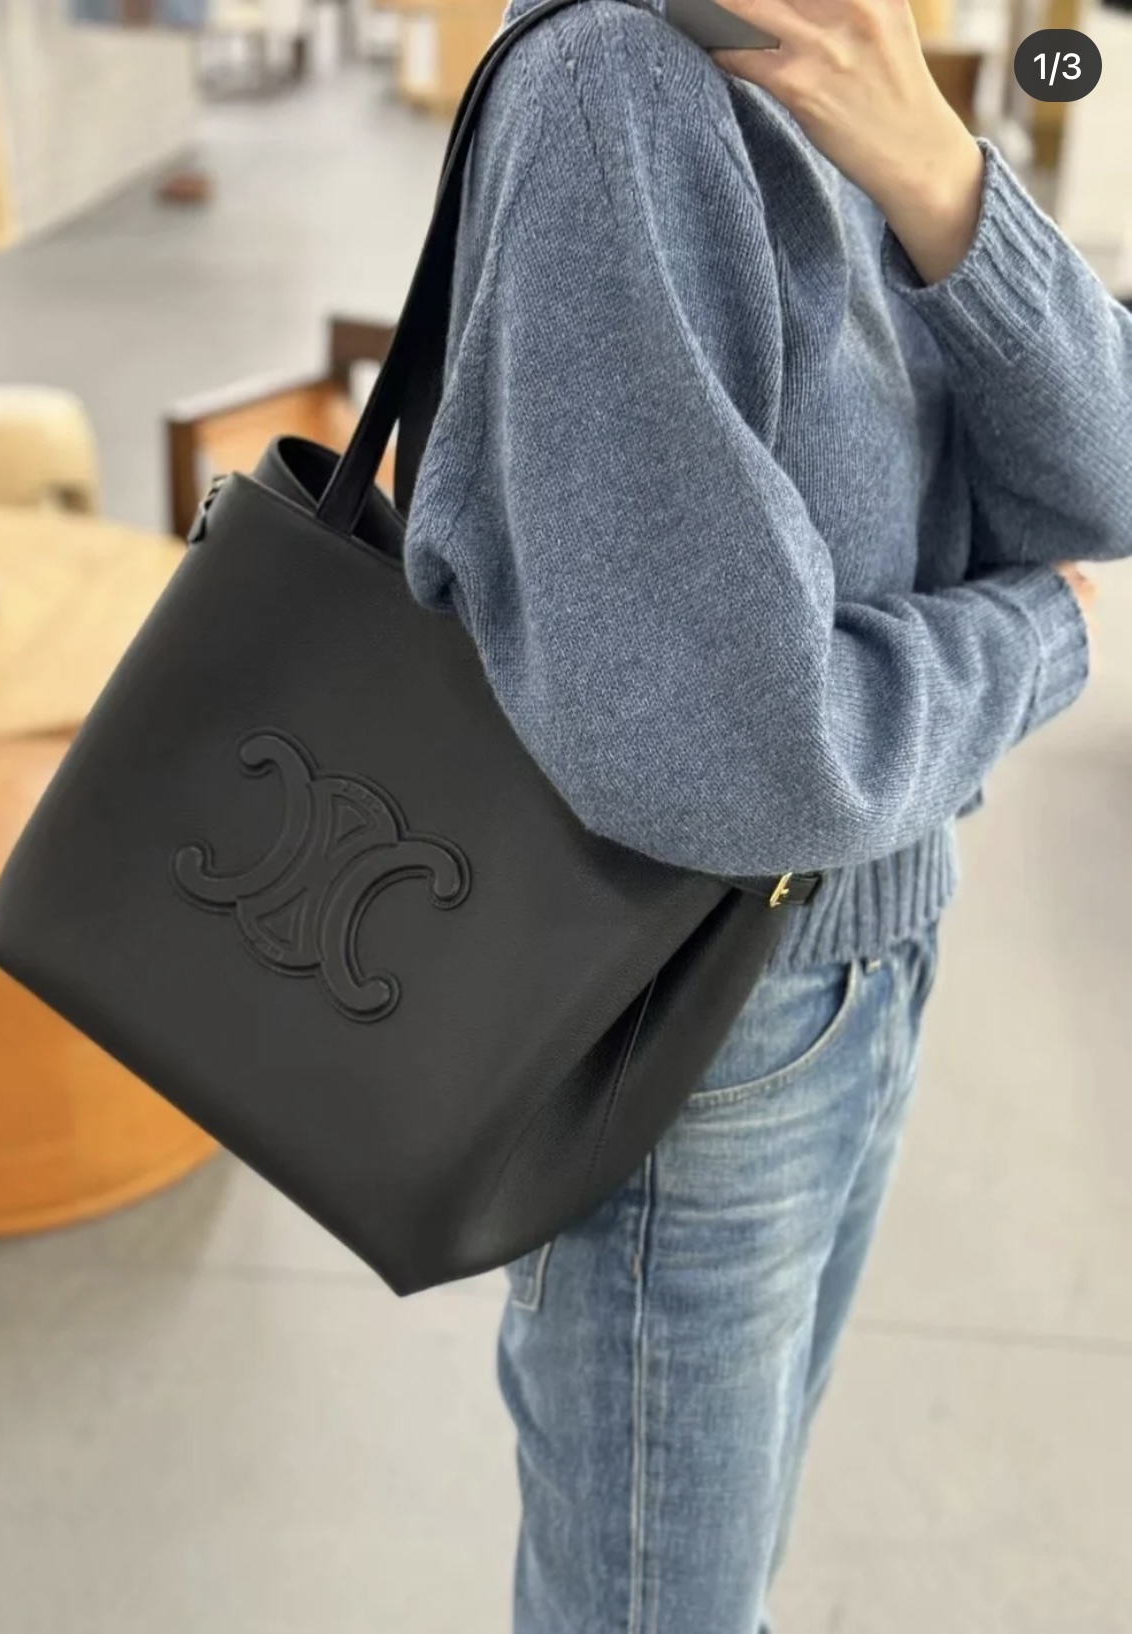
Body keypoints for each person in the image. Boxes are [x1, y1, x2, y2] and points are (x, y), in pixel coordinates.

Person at [401, 0, 1131, 1626]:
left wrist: (940, 176)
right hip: (693, 1017)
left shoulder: (843, 63)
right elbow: (732, 750)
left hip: (860, 955)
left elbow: (1109, 477)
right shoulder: (617, 93)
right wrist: (1036, 632)